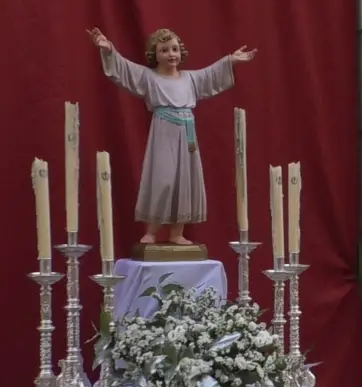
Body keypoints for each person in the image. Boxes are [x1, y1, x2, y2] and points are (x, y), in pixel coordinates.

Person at [87, 26, 256, 245]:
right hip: (164, 130)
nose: (171, 54)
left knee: (185, 179)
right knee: (163, 177)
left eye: (175, 49)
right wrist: (108, 49)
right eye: (164, 50)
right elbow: (124, 69)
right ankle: (152, 230)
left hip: (187, 133)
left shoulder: (189, 79)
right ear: (155, 55)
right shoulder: (149, 77)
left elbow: (211, 74)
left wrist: (231, 61)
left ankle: (177, 232)